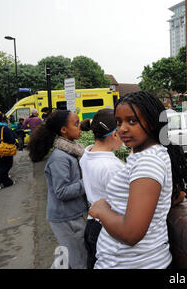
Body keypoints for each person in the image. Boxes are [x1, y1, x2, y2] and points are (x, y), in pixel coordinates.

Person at [89, 91, 187, 269]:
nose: (122, 128)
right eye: (118, 122)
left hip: (134, 263)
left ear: (153, 123)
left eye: (132, 121)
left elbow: (132, 233)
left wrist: (101, 211)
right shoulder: (148, 155)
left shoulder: (148, 162)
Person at [27, 110, 88, 269]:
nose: (79, 126)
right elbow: (62, 192)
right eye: (75, 124)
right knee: (79, 260)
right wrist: (87, 181)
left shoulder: (71, 150)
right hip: (66, 218)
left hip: (70, 214)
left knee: (66, 257)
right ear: (63, 130)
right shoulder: (60, 158)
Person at [79, 109, 125, 269]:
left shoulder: (87, 154)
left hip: (92, 223)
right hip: (107, 228)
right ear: (114, 134)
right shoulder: (112, 166)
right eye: (122, 131)